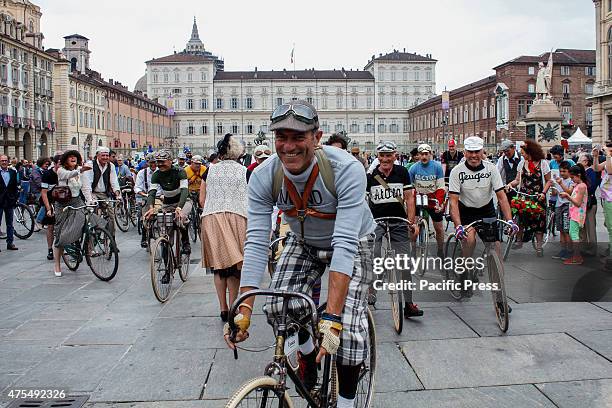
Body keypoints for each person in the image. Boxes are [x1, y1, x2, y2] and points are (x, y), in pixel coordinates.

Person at [225, 100, 375, 408]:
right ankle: (308, 361)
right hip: (304, 241)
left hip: (353, 240)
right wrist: (244, 310)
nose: (288, 146)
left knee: (345, 333)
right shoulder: (264, 175)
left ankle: (346, 403)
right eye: (282, 137)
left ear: (316, 137)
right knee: (279, 309)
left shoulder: (346, 168)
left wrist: (332, 317)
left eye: (298, 137)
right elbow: (255, 241)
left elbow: (345, 244)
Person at [448, 137, 518, 296]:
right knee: (469, 240)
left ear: (482, 152)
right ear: (464, 152)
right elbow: (453, 202)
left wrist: (509, 221)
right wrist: (458, 225)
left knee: (496, 249)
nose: (474, 156)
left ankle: (500, 295)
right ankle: (465, 271)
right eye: (470, 152)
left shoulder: (491, 168)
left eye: (477, 152)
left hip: (486, 209)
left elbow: (501, 197)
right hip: (466, 210)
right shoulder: (457, 171)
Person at [366, 140, 422, 317]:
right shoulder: (371, 176)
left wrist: (411, 222)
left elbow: (409, 198)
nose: (385, 159)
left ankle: (408, 303)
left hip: (398, 221)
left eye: (388, 155)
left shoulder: (402, 172)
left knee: (404, 263)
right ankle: (372, 290)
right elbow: (364, 203)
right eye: (382, 155)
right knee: (373, 255)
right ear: (378, 157)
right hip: (377, 222)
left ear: (395, 156)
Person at [200, 134, 250, 322]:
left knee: (219, 268)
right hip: (237, 216)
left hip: (211, 218)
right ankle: (234, 307)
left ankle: (223, 308)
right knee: (235, 266)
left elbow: (202, 200)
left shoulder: (208, 171)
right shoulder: (245, 171)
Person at [144, 149, 192, 260]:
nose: (160, 164)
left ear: (170, 161)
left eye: (163, 162)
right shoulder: (156, 174)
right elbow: (152, 192)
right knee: (165, 236)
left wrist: (179, 207)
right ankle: (167, 269)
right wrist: (151, 208)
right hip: (167, 203)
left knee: (181, 218)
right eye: (158, 162)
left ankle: (185, 242)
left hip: (183, 201)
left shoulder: (180, 171)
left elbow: (184, 190)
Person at [507, 140, 552, 256]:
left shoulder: (543, 164)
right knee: (520, 218)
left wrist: (543, 193)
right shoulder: (522, 164)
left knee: (539, 222)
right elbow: (517, 180)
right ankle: (519, 240)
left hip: (538, 197)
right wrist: (510, 185)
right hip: (523, 196)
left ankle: (539, 246)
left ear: (530, 152)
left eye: (523, 153)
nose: (522, 155)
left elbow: (548, 181)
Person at [53, 151, 92, 276]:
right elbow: (68, 175)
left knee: (87, 220)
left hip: (77, 201)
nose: (73, 158)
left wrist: (90, 200)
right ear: (65, 160)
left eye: (75, 157)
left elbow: (85, 187)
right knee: (59, 233)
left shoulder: (80, 171)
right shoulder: (61, 170)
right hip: (63, 203)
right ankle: (57, 265)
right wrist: (80, 170)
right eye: (70, 157)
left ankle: (80, 244)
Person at [409, 143, 446, 258]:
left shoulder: (437, 167)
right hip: (419, 199)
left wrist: (439, 203)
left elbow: (440, 187)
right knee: (413, 227)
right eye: (421, 154)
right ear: (418, 155)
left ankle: (440, 250)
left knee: (439, 228)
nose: (424, 157)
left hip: (433, 199)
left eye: (426, 154)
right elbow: (409, 188)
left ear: (430, 154)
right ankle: (413, 249)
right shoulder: (413, 168)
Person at [81, 147, 121, 239]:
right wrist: (90, 199)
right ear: (97, 156)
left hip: (104, 193)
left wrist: (118, 194)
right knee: (92, 215)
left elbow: (114, 182)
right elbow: (86, 184)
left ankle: (112, 239)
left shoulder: (111, 166)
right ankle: (91, 238)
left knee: (111, 216)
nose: (105, 157)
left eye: (107, 155)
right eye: (103, 155)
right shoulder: (90, 165)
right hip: (92, 193)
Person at [559, 165, 588, 265]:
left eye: (572, 177)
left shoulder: (582, 186)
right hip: (574, 213)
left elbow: (578, 203)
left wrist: (567, 196)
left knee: (574, 235)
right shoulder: (578, 185)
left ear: (579, 175)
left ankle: (577, 257)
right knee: (573, 233)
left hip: (577, 214)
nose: (572, 179)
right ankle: (576, 256)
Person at [134, 154, 160, 248]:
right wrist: (143, 194)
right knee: (145, 216)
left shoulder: (161, 172)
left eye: (155, 162)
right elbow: (137, 187)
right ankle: (144, 236)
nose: (153, 165)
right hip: (146, 197)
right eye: (151, 163)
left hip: (159, 197)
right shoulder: (142, 173)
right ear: (147, 163)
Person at [593, 142, 612, 271]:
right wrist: (595, 156)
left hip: (611, 199)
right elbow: (596, 168)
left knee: (611, 227)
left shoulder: (610, 159)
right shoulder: (608, 160)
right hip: (606, 197)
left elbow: (610, 170)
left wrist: (608, 155)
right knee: (609, 226)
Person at [551, 161, 574, 260]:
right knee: (560, 229)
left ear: (569, 172)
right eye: (561, 171)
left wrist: (561, 184)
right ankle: (563, 250)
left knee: (566, 230)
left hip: (566, 205)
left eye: (564, 171)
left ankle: (569, 250)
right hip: (558, 205)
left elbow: (569, 191)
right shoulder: (559, 180)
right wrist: (553, 186)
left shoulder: (571, 181)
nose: (562, 173)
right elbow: (555, 193)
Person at [40, 155, 61, 260]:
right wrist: (48, 208)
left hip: (63, 203)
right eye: (60, 164)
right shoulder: (47, 174)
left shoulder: (66, 173)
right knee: (50, 226)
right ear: (55, 164)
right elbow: (43, 193)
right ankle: (50, 249)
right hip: (51, 202)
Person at [578, 153, 600, 257]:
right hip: (581, 203)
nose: (578, 161)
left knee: (590, 226)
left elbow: (592, 187)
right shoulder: (581, 172)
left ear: (586, 162)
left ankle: (592, 249)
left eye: (580, 160)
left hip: (590, 203)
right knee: (582, 226)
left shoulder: (591, 171)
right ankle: (583, 247)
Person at [0, 154, 19, 251]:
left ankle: (10, 243)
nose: (4, 162)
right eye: (2, 160)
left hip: (9, 201)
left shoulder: (12, 172)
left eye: (5, 160)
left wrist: (15, 198)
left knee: (10, 223)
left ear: (8, 162)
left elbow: (14, 187)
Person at [498, 140, 524, 204]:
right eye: (504, 151)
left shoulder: (522, 158)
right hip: (507, 189)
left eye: (507, 151)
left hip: (519, 190)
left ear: (513, 148)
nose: (506, 153)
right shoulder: (502, 159)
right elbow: (497, 172)